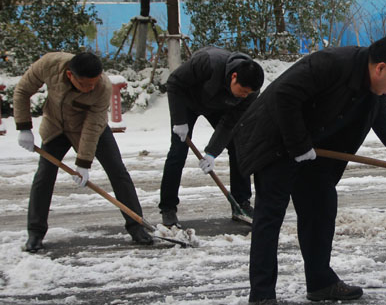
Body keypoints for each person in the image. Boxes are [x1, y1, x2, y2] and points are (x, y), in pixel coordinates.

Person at [233, 36, 386, 305]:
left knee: (321, 207)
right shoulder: (331, 63)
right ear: (381, 68)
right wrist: (298, 144)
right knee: (269, 217)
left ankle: (320, 282)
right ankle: (260, 296)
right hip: (276, 142)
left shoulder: (374, 91)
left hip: (314, 150)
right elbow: (285, 96)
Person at [13, 51, 153, 252]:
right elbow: (22, 90)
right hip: (56, 127)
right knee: (44, 175)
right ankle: (35, 233)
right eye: (85, 85)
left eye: (93, 83)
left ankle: (137, 226)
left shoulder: (102, 87)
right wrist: (24, 127)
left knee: (117, 171)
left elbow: (92, 126)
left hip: (91, 128)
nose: (91, 88)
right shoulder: (49, 64)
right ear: (70, 75)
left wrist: (83, 163)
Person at [159, 46, 264, 227]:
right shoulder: (207, 63)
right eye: (243, 90)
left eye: (248, 93)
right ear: (234, 77)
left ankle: (241, 203)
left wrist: (212, 152)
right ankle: (168, 208)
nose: (244, 95)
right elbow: (174, 83)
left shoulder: (249, 94)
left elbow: (231, 123)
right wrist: (179, 120)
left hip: (219, 106)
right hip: (187, 102)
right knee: (178, 150)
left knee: (238, 144)